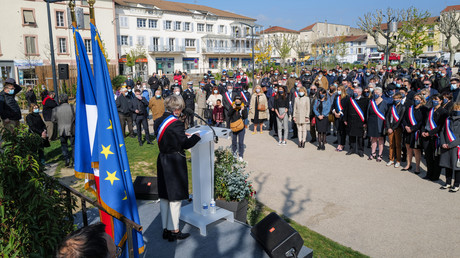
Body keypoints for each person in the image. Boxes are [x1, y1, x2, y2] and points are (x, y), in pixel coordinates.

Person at [154, 95, 200, 242]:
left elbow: (168, 136)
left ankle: (165, 229)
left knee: (164, 196)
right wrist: (196, 137)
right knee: (175, 198)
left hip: (162, 159)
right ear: (177, 108)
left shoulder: (158, 121)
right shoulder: (177, 124)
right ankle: (175, 230)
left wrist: (180, 135)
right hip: (174, 161)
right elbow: (185, 144)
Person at [421, 94, 448, 181]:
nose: (434, 101)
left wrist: (430, 133)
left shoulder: (443, 112)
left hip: (436, 137)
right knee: (428, 156)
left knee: (436, 157)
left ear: (441, 101)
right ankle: (429, 173)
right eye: (433, 99)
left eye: (436, 99)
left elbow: (440, 126)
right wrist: (423, 132)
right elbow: (424, 122)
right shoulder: (429, 110)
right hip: (426, 136)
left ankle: (435, 175)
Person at [401, 94, 426, 174]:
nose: (416, 100)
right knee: (408, 149)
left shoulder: (424, 109)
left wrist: (412, 128)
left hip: (416, 132)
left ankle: (417, 167)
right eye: (415, 98)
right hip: (408, 131)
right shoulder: (410, 108)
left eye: (418, 99)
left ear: (421, 100)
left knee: (416, 150)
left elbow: (422, 122)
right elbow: (404, 118)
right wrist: (406, 126)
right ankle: (409, 164)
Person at [440, 102, 460, 192]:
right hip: (446, 145)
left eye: (458, 109)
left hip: (456, 146)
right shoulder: (448, 119)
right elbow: (443, 131)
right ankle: (448, 183)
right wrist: (443, 142)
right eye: (455, 109)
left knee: (457, 167)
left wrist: (451, 144)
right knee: (447, 165)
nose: (457, 111)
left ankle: (456, 184)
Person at [51, 94, 75, 167]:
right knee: (73, 145)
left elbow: (53, 120)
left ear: (60, 100)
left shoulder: (55, 109)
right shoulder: (72, 107)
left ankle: (66, 158)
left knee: (64, 145)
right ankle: (74, 161)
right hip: (71, 129)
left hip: (61, 129)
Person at [344, 87, 368, 157]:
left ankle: (360, 150)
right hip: (351, 120)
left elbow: (366, 112)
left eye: (356, 92)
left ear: (360, 92)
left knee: (360, 137)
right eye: (354, 91)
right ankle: (352, 149)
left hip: (360, 121)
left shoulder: (365, 100)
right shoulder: (350, 100)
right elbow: (346, 110)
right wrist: (345, 119)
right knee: (351, 136)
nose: (354, 93)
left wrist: (365, 122)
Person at [366, 87, 388, 162]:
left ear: (381, 94)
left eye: (377, 93)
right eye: (374, 93)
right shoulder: (371, 101)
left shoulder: (384, 103)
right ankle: (373, 153)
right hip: (372, 122)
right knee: (373, 138)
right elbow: (367, 113)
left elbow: (386, 114)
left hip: (381, 123)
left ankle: (380, 154)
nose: (375, 94)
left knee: (381, 139)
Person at [386, 93, 406, 168]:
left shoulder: (403, 107)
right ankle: (391, 159)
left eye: (397, 98)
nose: (396, 100)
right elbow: (387, 117)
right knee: (391, 144)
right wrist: (388, 127)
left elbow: (400, 120)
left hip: (398, 128)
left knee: (398, 144)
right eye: (394, 98)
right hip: (390, 127)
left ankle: (398, 160)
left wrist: (393, 128)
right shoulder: (391, 106)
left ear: (400, 99)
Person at [229, 96, 248, 161]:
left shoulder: (243, 106)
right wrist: (232, 108)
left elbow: (245, 117)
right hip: (234, 126)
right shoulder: (232, 106)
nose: (238, 102)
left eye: (239, 100)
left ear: (241, 101)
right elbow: (228, 114)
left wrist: (243, 110)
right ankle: (234, 153)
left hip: (241, 127)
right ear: (234, 101)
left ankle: (240, 155)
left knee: (240, 142)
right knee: (234, 141)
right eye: (236, 100)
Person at [332, 85, 348, 151]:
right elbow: (333, 106)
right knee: (338, 130)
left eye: (339, 89)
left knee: (343, 131)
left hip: (343, 117)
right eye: (337, 89)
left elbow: (346, 107)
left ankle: (342, 144)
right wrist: (334, 112)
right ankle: (339, 144)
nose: (338, 91)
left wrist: (340, 113)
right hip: (336, 117)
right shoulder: (336, 97)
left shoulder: (346, 97)